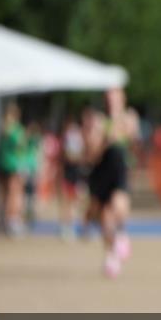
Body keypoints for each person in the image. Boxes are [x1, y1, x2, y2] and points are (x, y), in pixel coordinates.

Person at [84, 90, 139, 278]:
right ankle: (110, 255)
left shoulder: (129, 118)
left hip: (119, 171)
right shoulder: (98, 121)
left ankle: (122, 235)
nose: (111, 102)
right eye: (108, 99)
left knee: (118, 205)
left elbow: (133, 140)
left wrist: (121, 129)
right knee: (105, 219)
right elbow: (91, 153)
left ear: (122, 99)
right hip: (102, 172)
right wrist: (105, 138)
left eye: (115, 98)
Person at [0, 102, 27, 237]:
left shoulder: (2, 129)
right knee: (14, 193)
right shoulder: (17, 130)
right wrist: (22, 166)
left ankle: (4, 220)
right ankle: (12, 221)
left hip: (2, 164)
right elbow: (21, 148)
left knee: (5, 194)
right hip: (13, 165)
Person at [59, 117, 86, 241]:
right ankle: (67, 227)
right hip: (69, 174)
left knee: (79, 200)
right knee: (68, 201)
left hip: (77, 174)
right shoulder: (68, 138)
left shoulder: (79, 138)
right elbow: (68, 156)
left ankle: (79, 226)